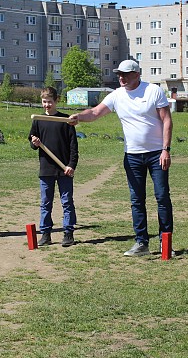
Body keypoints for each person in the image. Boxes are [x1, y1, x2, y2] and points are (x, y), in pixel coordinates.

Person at [68, 59, 173, 257]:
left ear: (137, 74)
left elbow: (166, 120)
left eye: (125, 74)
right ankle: (141, 243)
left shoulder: (153, 91)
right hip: (132, 156)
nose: (121, 77)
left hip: (156, 155)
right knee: (136, 200)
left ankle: (165, 243)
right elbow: (95, 112)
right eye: (119, 74)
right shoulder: (116, 95)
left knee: (162, 197)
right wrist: (79, 117)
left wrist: (165, 149)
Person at [29, 87, 79, 247]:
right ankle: (45, 234)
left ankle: (68, 233)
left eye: (50, 102)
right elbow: (32, 142)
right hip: (46, 169)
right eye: (44, 102)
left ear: (56, 101)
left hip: (64, 169)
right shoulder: (38, 119)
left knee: (66, 201)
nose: (47, 105)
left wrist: (71, 165)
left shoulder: (65, 120)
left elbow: (73, 146)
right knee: (45, 202)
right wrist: (34, 143)